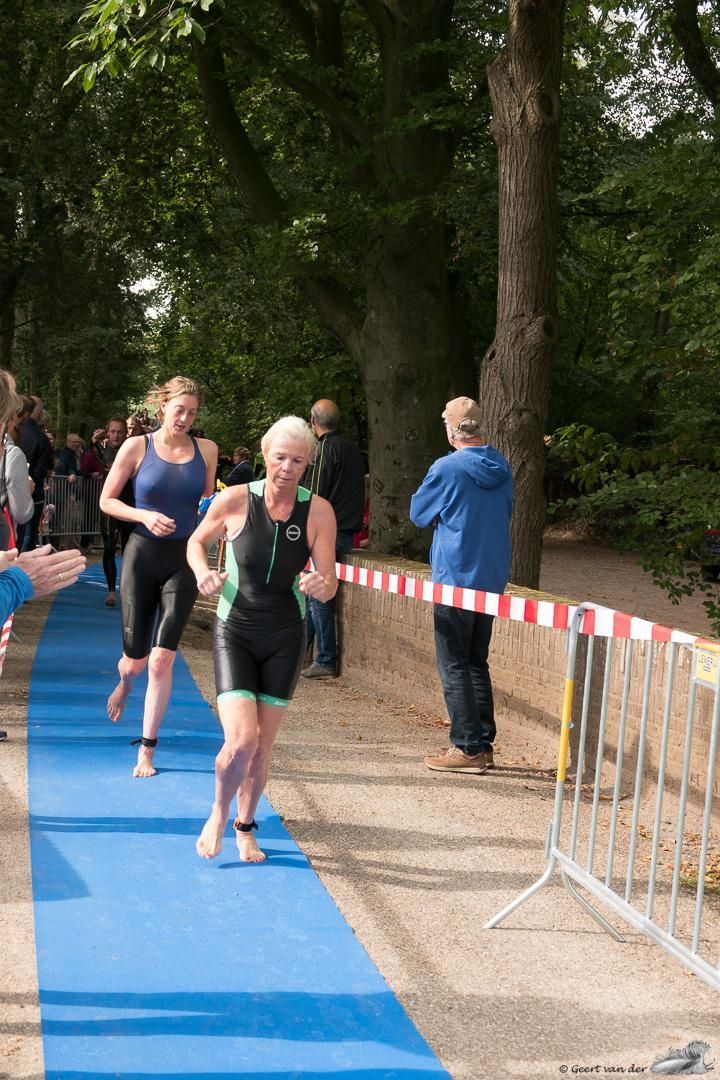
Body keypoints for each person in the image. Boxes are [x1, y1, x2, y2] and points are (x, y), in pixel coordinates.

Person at [187, 416, 337, 862]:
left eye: (297, 460)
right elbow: (196, 543)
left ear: (306, 464)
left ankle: (245, 826)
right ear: (264, 455)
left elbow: (328, 581)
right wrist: (202, 574)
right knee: (241, 740)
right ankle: (217, 812)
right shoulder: (234, 500)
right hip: (236, 630)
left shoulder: (319, 511)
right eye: (280, 458)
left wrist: (321, 584)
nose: (287, 468)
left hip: (286, 636)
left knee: (261, 747)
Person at [99, 376, 218, 778]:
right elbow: (107, 500)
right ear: (162, 406)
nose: (184, 418)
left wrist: (218, 520)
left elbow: (206, 505)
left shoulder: (207, 450)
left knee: (162, 659)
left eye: (193, 412)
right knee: (135, 664)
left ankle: (147, 748)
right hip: (142, 555)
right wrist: (143, 514)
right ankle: (125, 683)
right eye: (178, 409)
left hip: (183, 558)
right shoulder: (138, 446)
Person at [409, 396, 513, 774]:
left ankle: (467, 747)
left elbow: (419, 513)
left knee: (454, 663)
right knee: (475, 661)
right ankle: (482, 743)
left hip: (454, 577)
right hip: (489, 578)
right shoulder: (501, 464)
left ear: (452, 429)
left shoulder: (446, 468)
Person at [300, 398, 365, 679]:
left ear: (313, 422)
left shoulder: (323, 449)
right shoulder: (352, 450)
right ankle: (299, 651)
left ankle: (325, 658)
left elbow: (314, 496)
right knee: (312, 593)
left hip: (326, 533)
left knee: (318, 595)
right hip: (348, 530)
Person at [84, 419, 134, 606]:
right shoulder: (102, 451)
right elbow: (89, 459)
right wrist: (93, 441)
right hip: (109, 505)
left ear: (125, 433)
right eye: (112, 432)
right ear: (107, 433)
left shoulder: (132, 449)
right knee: (110, 548)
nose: (116, 435)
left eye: (120, 432)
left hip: (129, 504)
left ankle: (128, 589)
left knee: (130, 550)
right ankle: (111, 591)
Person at [16, 395, 53, 551]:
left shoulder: (14, 432)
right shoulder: (41, 438)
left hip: (14, 491)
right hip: (32, 491)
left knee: (18, 533)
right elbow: (45, 467)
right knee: (28, 534)